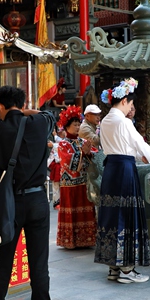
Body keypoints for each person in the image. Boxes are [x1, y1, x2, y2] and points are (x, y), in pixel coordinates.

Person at [0, 86, 58, 300]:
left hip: (9, 203)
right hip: (37, 200)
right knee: (39, 262)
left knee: (3, 260)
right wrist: (24, 111)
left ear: (0, 106)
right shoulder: (39, 123)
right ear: (22, 104)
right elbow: (49, 116)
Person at [96, 79, 150, 283]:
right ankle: (127, 269)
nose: (131, 108)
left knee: (112, 216)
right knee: (126, 216)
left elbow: (123, 147)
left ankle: (114, 267)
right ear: (123, 101)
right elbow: (140, 145)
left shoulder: (105, 121)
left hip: (111, 169)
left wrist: (142, 157)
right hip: (124, 171)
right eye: (130, 104)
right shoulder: (123, 121)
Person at [55, 106, 97, 249]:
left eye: (79, 124)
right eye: (75, 124)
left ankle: (87, 239)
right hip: (70, 185)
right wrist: (82, 154)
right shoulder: (63, 144)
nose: (78, 127)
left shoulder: (83, 142)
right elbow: (67, 162)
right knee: (72, 212)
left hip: (84, 183)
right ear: (67, 126)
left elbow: (94, 156)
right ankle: (71, 241)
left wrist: (89, 154)